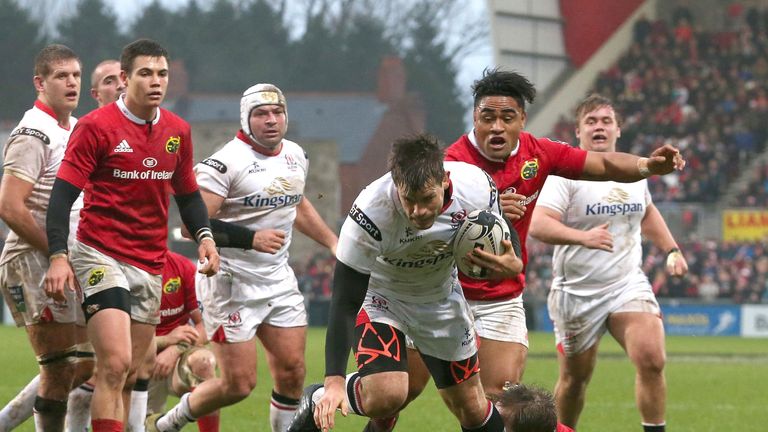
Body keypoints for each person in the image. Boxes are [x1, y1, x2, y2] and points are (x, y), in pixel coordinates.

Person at [401, 68, 685, 414]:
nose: (496, 127)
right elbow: (418, 224)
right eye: (487, 117)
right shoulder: (451, 164)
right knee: (400, 392)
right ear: (475, 117)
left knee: (500, 399)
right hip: (441, 291)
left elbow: (605, 163)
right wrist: (485, 208)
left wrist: (647, 166)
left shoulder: (539, 154)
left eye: (507, 117)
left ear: (522, 119)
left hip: (500, 297)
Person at [288, 134, 523, 432]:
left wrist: (514, 261)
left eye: (427, 199)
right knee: (388, 395)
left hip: (439, 298)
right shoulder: (369, 215)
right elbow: (345, 301)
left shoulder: (476, 186)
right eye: (408, 200)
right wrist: (333, 381)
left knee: (473, 408)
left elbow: (500, 229)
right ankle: (317, 396)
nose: (418, 212)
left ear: (445, 180)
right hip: (383, 298)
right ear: (395, 185)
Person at [44, 39, 219, 432]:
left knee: (132, 373)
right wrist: (58, 255)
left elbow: (189, 196)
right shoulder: (95, 127)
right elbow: (60, 199)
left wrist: (205, 236)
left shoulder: (178, 131)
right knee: (116, 362)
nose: (156, 81)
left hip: (150, 261)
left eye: (162, 74)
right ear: (124, 78)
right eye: (145, 73)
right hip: (99, 254)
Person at [146, 83, 338, 432]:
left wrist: (333, 243)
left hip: (277, 280)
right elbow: (192, 226)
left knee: (293, 371)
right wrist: (251, 238)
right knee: (238, 384)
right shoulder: (226, 163)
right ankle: (166, 424)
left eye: (277, 112)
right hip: (230, 282)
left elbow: (297, 202)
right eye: (261, 114)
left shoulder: (295, 154)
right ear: (246, 119)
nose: (271, 120)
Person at [529, 94, 688, 432]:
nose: (598, 126)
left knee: (652, 358)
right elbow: (539, 224)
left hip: (625, 282)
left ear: (618, 130)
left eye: (605, 121)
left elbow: (646, 212)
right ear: (578, 132)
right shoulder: (565, 175)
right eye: (591, 121)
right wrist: (582, 237)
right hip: (577, 292)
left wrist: (672, 249)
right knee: (574, 381)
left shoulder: (633, 171)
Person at [0, 56, 127, 432]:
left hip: (66, 259)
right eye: (60, 76)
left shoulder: (72, 129)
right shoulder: (33, 132)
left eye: (75, 75)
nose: (70, 83)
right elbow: (9, 205)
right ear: (40, 83)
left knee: (87, 364)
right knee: (59, 368)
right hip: (32, 261)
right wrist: (57, 253)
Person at [123, 250, 218, 432]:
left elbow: (205, 325)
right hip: (137, 362)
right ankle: (160, 424)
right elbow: (117, 338)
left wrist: (175, 348)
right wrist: (165, 340)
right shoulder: (120, 271)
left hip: (176, 359)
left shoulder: (182, 266)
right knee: (140, 427)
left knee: (204, 362)